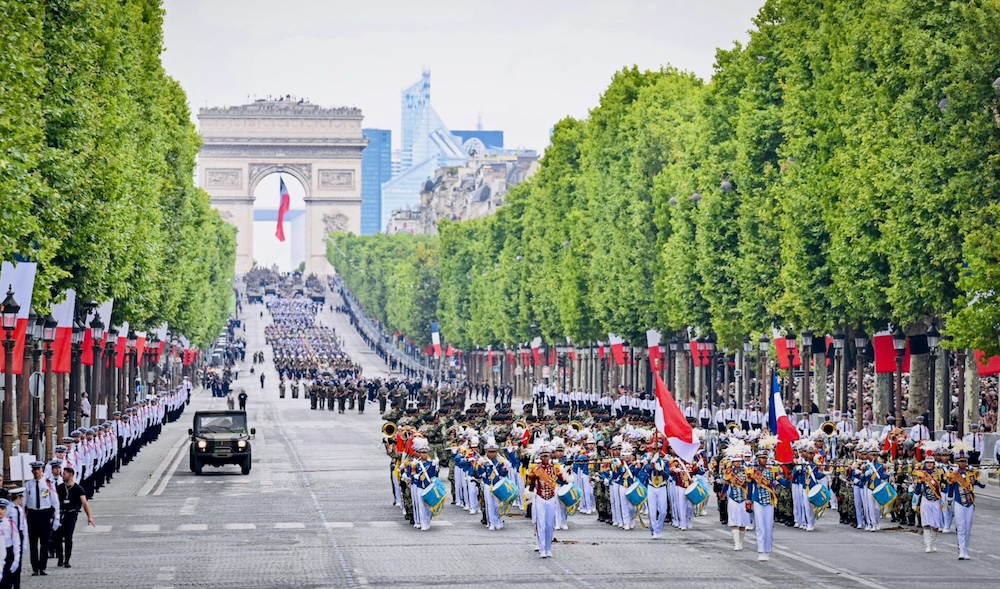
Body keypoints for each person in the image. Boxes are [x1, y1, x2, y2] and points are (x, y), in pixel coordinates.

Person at [525, 445, 566, 558]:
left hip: (551, 498)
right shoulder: (536, 469)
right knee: (541, 524)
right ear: (540, 457)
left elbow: (563, 481)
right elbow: (531, 486)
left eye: (547, 456)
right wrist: (530, 487)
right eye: (543, 456)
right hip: (540, 498)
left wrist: (568, 471)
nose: (545, 458)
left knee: (550, 524)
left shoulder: (555, 469)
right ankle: (542, 548)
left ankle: (548, 548)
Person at [946, 442, 984, 560]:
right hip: (958, 502)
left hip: (970, 503)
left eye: (964, 461)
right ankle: (961, 550)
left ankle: (966, 550)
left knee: (968, 528)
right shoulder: (954, 474)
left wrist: (983, 476)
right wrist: (949, 498)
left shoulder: (971, 473)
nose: (962, 463)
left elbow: (981, 485)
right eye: (960, 461)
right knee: (960, 526)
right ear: (957, 462)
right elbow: (950, 487)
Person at [23, 461, 59, 576]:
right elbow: (24, 503)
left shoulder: (48, 484)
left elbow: (55, 501)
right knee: (33, 544)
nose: (36, 472)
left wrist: (56, 518)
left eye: (38, 469)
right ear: (32, 471)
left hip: (44, 515)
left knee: (44, 543)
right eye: (34, 470)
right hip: (32, 515)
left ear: (42, 470)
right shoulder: (28, 485)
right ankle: (35, 568)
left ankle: (42, 567)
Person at [55, 467, 94, 568]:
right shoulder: (60, 488)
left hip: (71, 514)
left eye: (65, 474)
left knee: (68, 537)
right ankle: (60, 557)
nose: (63, 476)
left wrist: (89, 516)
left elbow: (84, 503)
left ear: (71, 475)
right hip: (60, 514)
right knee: (58, 536)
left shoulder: (78, 488)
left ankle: (67, 559)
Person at [5, 489, 27, 589]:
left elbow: (23, 525)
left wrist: (24, 541)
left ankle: (17, 585)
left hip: (19, 535)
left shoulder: (20, 509)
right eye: (21, 497)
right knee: (9, 562)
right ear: (18, 497)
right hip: (10, 536)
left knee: (18, 562)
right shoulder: (8, 509)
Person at [0, 501, 19, 587]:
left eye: (2, 509)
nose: (0, 511)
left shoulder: (10, 524)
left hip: (8, 552)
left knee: (7, 580)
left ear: (6, 510)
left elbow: (16, 541)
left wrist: (16, 559)